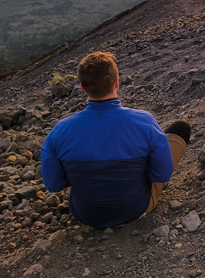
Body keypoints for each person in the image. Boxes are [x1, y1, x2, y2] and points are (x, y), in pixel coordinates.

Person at [41, 51, 191, 229]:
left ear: (82, 88)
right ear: (117, 82)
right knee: (180, 128)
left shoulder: (59, 130)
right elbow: (162, 174)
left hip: (86, 215)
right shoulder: (144, 121)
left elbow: (54, 184)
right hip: (135, 208)